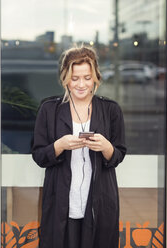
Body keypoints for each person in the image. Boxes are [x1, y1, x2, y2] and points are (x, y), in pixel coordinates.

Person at [31, 45, 126, 248]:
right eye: (75, 78)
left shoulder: (111, 110)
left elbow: (118, 155)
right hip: (61, 204)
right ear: (66, 79)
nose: (81, 84)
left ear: (96, 78)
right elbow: (39, 156)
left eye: (87, 77)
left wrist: (106, 147)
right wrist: (59, 145)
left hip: (100, 204)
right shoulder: (49, 109)